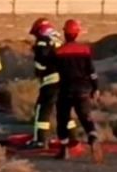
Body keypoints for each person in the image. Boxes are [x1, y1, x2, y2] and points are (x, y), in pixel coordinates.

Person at [53, 19, 103, 163]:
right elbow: (92, 72)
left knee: (63, 119)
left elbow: (54, 70)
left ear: (65, 33)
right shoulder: (85, 50)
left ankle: (64, 150)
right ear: (77, 33)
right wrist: (95, 88)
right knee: (86, 117)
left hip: (65, 90)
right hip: (83, 90)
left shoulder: (59, 52)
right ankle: (93, 138)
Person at [29, 17, 69, 148]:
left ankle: (40, 141)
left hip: (51, 81)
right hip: (65, 80)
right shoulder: (59, 40)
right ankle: (72, 139)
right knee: (64, 110)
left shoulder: (42, 42)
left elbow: (41, 63)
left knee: (42, 110)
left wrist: (38, 71)